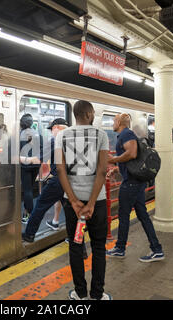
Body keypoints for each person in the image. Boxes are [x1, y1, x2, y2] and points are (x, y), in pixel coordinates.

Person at [55, 100, 111, 300]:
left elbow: (60, 169)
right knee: (98, 247)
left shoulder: (61, 135)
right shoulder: (101, 135)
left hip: (73, 204)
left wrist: (74, 201)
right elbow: (102, 171)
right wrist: (92, 203)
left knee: (76, 245)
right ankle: (97, 294)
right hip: (97, 202)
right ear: (89, 114)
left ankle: (80, 293)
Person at [106, 114, 164, 262]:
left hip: (131, 183)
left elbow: (131, 153)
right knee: (143, 215)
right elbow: (133, 162)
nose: (112, 123)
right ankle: (157, 249)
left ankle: (120, 248)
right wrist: (117, 168)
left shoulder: (126, 134)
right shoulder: (127, 134)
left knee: (123, 215)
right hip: (136, 181)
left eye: (113, 121)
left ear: (119, 122)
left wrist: (113, 160)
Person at [19, 114, 42, 223]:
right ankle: (26, 213)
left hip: (25, 165)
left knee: (27, 190)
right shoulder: (37, 134)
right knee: (31, 189)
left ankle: (29, 214)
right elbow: (42, 148)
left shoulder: (20, 134)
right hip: (36, 164)